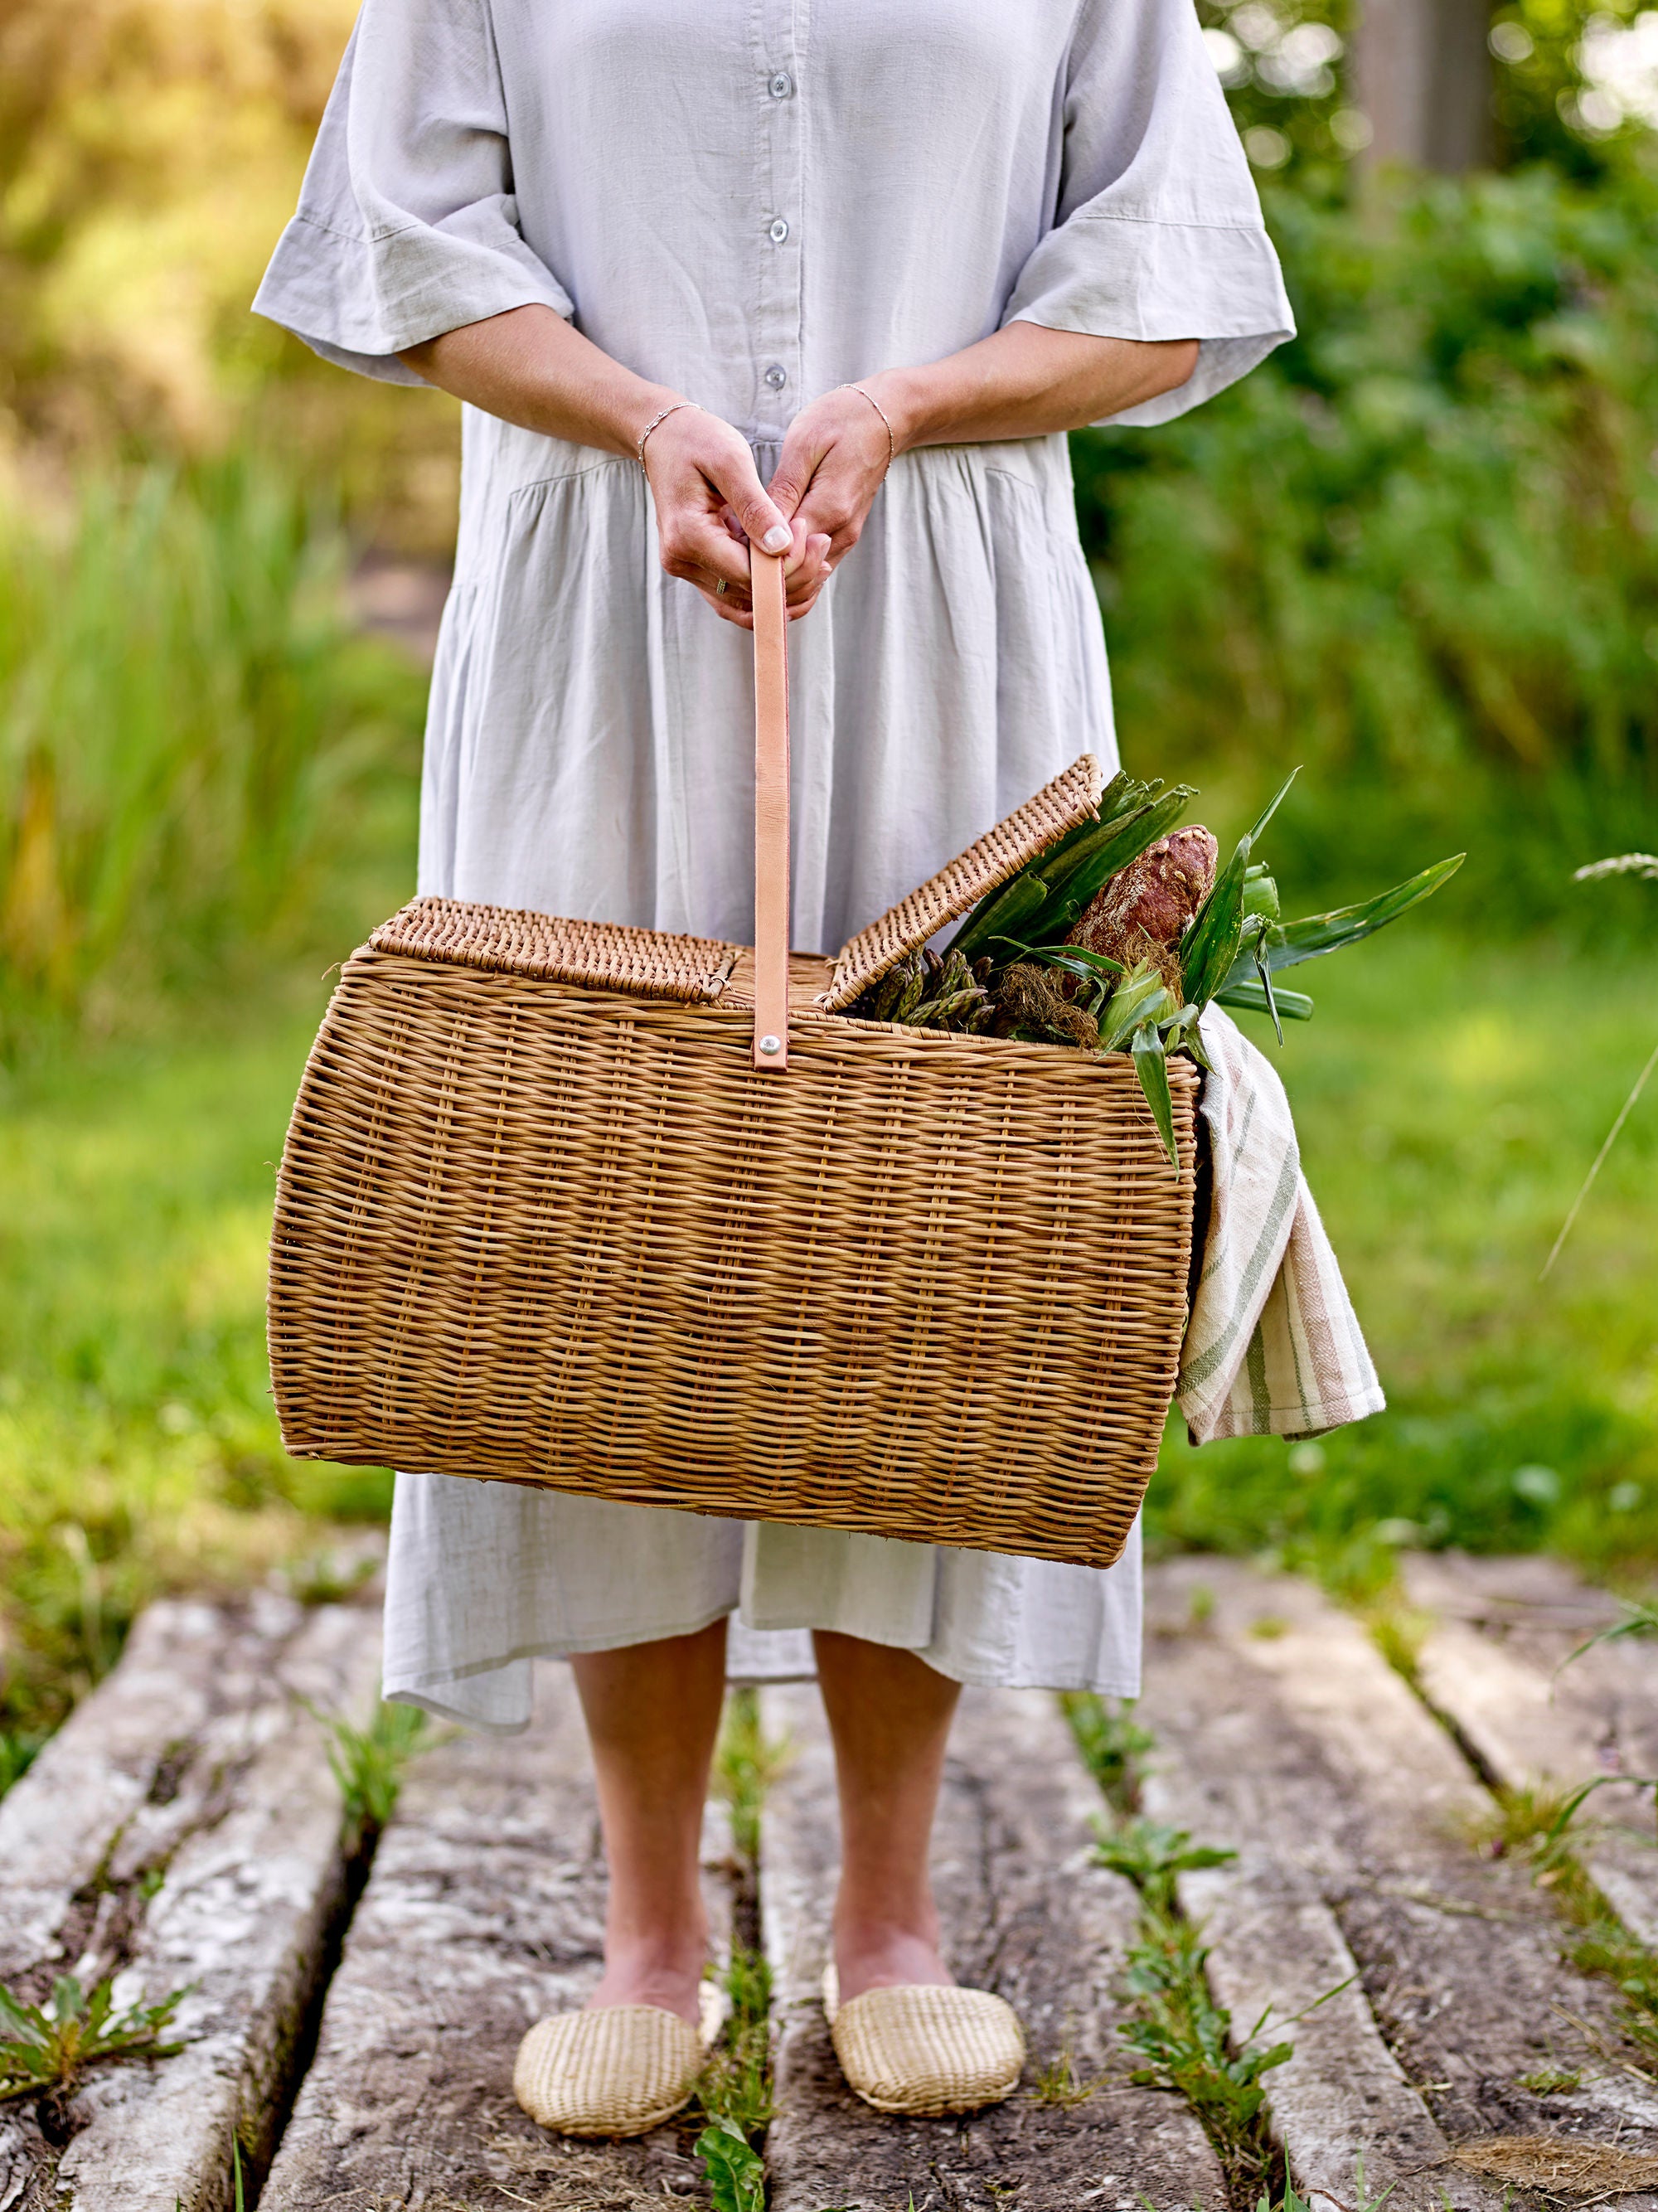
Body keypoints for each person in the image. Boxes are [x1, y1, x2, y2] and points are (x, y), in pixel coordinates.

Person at [255, 0, 1293, 2135]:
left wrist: (907, 401)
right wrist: (642, 413)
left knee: (929, 1234)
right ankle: (649, 1930)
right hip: (600, 597)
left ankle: (888, 1918)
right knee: (596, 1232)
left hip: (947, 603)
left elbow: (1168, 276)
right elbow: (409, 240)